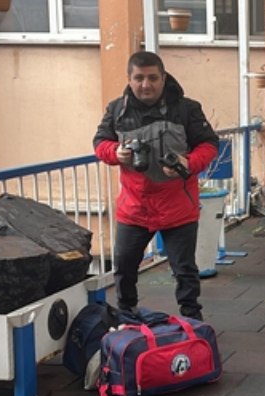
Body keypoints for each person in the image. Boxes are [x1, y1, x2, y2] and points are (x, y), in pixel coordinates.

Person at [93, 51, 219, 321]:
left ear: (163, 78)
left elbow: (209, 145)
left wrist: (187, 163)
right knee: (124, 269)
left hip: (178, 207)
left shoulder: (187, 109)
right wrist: (116, 153)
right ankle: (127, 316)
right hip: (134, 208)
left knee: (185, 271)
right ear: (129, 79)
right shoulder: (117, 110)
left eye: (152, 78)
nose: (145, 84)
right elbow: (100, 143)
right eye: (139, 78)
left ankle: (193, 322)